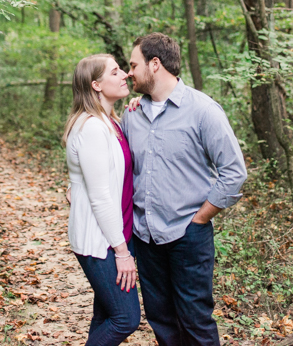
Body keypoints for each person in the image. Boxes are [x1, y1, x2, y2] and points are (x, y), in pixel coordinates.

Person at [121, 33, 247, 346]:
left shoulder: (203, 111)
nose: (128, 72)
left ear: (155, 63)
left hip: (188, 236)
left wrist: (201, 218)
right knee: (161, 320)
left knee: (195, 322)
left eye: (133, 64)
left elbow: (234, 173)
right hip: (146, 237)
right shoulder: (131, 115)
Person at [63, 54, 140, 345]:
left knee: (105, 315)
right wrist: (122, 252)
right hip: (103, 242)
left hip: (117, 234)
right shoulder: (93, 127)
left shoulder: (109, 121)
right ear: (96, 84)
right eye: (115, 71)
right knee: (125, 319)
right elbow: (99, 196)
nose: (125, 75)